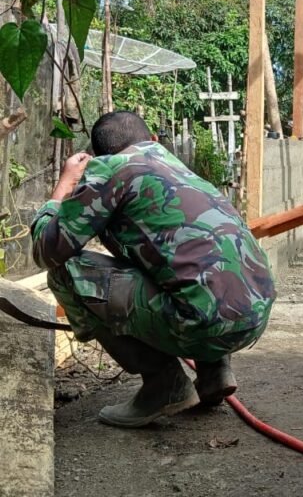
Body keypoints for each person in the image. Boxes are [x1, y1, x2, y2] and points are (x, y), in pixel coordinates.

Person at [31, 111, 276, 427]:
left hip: (206, 324)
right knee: (186, 265)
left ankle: (164, 384)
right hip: (255, 313)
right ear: (154, 141)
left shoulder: (111, 170)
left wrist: (64, 186)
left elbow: (47, 251)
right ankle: (214, 373)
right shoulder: (176, 166)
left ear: (97, 157)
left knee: (65, 271)